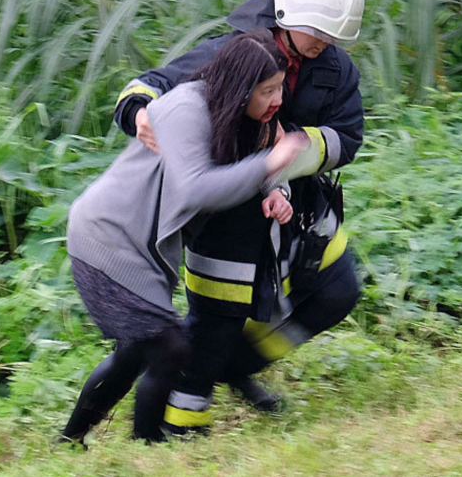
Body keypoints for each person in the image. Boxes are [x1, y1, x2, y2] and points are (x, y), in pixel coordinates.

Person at [113, 0, 366, 414]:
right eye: (318, 31)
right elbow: (148, 85)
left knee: (338, 290)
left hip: (300, 209)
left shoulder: (335, 69)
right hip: (227, 217)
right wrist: (140, 114)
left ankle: (232, 369)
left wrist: (293, 149)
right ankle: (179, 414)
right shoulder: (233, 55)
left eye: (333, 35)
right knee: (214, 325)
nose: (325, 43)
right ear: (287, 16)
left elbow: (347, 137)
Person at [61, 31, 306, 444]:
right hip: (106, 237)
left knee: (138, 351)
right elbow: (194, 187)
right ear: (242, 85)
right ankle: (148, 448)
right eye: (267, 90)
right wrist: (267, 165)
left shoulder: (246, 116)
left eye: (279, 87)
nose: (277, 100)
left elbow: (245, 167)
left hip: (135, 248)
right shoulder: (186, 107)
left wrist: (277, 191)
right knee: (169, 349)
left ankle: (70, 442)